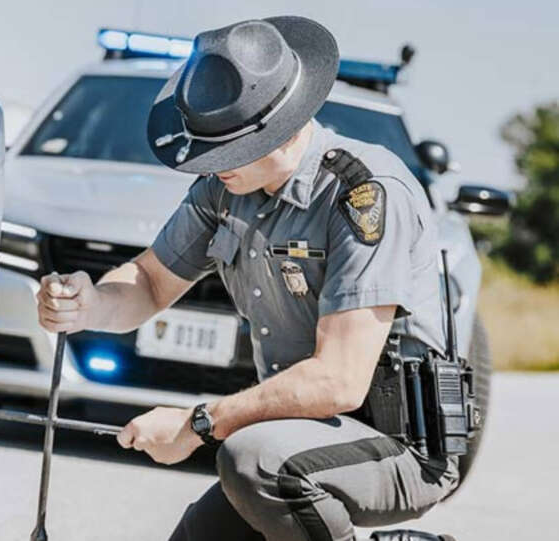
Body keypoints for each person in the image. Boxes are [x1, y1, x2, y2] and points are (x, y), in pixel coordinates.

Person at [36, 16, 459, 541]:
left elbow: (339, 380)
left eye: (224, 151)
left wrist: (196, 424)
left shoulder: (364, 193)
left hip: (394, 446)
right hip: (294, 439)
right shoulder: (224, 188)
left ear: (278, 129)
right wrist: (89, 303)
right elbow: (148, 282)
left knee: (253, 461)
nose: (210, 166)